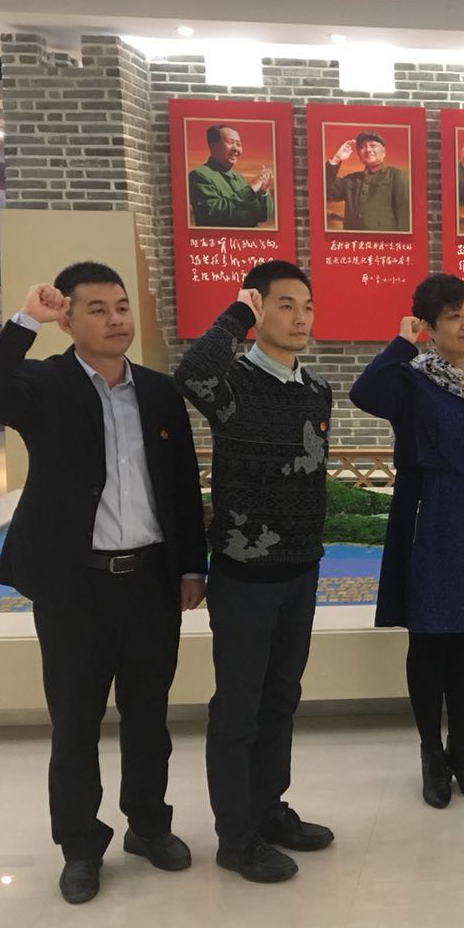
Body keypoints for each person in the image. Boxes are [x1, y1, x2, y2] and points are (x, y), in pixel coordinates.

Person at [0, 263, 207, 904]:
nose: (116, 319)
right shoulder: (42, 384)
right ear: (66, 320)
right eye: (97, 309)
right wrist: (24, 320)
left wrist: (191, 565)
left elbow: (181, 484)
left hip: (150, 582)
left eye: (121, 306)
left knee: (149, 717)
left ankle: (148, 826)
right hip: (75, 588)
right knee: (75, 722)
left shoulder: (158, 392)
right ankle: (80, 846)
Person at [176, 260, 334, 884]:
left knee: (282, 698)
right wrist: (236, 312)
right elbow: (192, 371)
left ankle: (270, 810)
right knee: (238, 709)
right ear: (259, 308)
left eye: (307, 307)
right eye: (285, 305)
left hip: (301, 570)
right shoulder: (232, 383)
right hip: (245, 576)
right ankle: (236, 838)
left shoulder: (316, 390)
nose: (300, 318)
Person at [349, 274, 464, 807]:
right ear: (429, 327)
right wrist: (402, 343)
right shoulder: (412, 379)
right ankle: (431, 753)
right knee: (428, 642)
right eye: (453, 316)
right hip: (428, 518)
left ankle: (461, 752)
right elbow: (364, 393)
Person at [189, 124, 274, 228]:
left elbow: (263, 216)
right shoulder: (199, 175)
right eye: (230, 142)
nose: (236, 148)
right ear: (213, 145)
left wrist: (263, 192)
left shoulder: (239, 177)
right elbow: (212, 213)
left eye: (238, 144)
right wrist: (250, 189)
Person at [324, 130, 411, 232]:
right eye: (362, 147)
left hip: (384, 240)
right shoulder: (350, 179)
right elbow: (326, 192)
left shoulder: (395, 175)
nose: (368, 150)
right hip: (352, 240)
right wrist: (336, 158)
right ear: (358, 154)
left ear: (384, 152)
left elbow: (405, 215)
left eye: (373, 145)